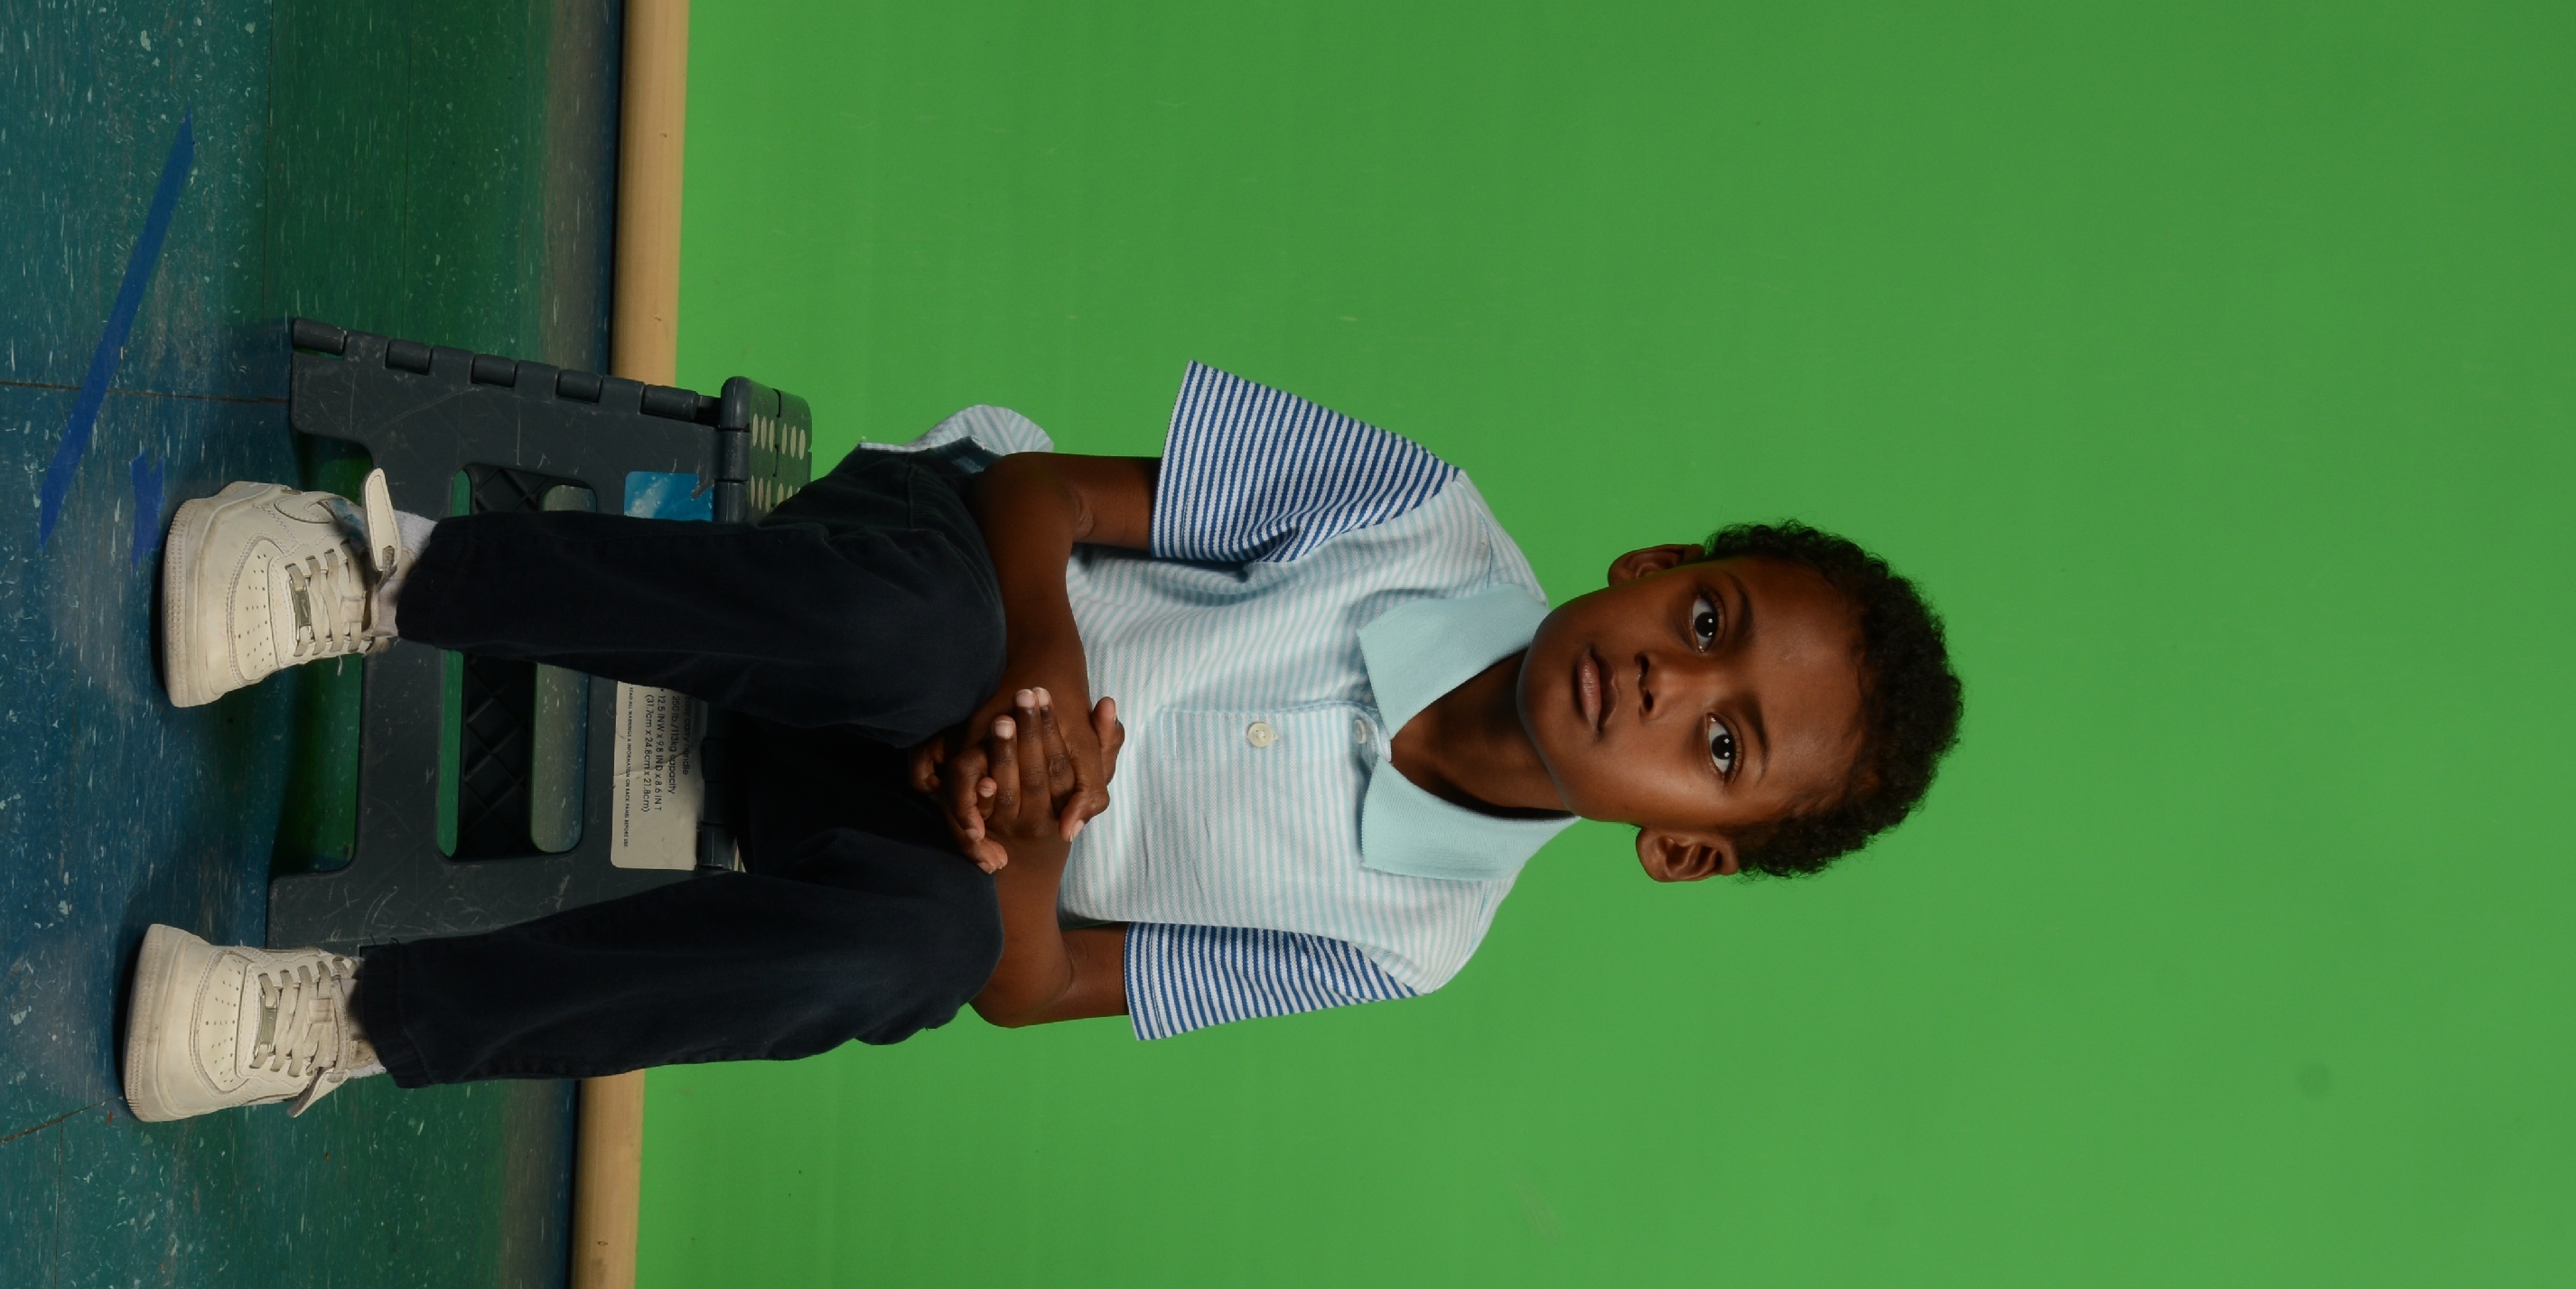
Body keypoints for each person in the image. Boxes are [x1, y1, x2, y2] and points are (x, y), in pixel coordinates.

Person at [117, 363, 1964, 1120]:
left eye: (1723, 750)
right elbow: (1042, 501)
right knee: (915, 628)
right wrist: (1044, 691)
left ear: (1681, 847)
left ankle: (349, 1019)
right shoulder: (1423, 516)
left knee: (919, 952)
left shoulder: (1419, 937)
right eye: (1706, 625)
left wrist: (1016, 820)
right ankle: (378, 577)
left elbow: (1039, 980)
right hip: (901, 585)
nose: (1667, 689)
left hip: (918, 847)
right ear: (1658, 567)